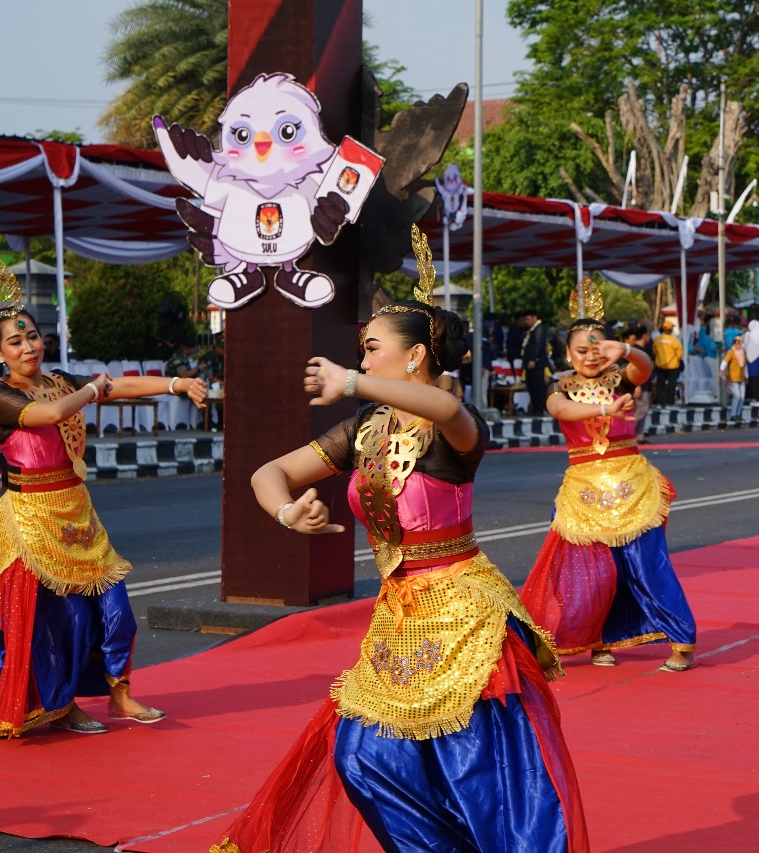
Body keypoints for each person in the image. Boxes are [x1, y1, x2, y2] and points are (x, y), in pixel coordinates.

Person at [217, 262, 588, 852]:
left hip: (466, 616)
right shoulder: (366, 429)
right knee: (362, 758)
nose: (362, 362)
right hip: (400, 618)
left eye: (371, 350)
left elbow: (445, 412)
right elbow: (272, 472)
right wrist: (288, 513)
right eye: (360, 355)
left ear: (415, 356)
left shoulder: (454, 427)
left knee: (480, 773)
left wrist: (352, 384)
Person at [0, 260, 208, 738]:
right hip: (30, 517)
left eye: (31, 335)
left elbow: (119, 386)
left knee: (114, 604)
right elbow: (49, 414)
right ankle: (60, 704)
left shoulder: (62, 379)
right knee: (56, 618)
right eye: (15, 340)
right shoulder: (4, 397)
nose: (29, 345)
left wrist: (177, 384)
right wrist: (90, 389)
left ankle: (120, 694)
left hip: (76, 509)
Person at [520, 282, 696, 673]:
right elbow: (562, 412)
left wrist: (628, 351)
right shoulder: (559, 386)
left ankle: (682, 640)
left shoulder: (621, 377)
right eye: (581, 351)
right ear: (567, 353)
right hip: (583, 490)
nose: (589, 358)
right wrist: (606, 407)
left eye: (597, 351)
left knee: (647, 565)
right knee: (589, 574)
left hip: (632, 485)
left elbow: (646, 369)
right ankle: (596, 640)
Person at [625, 324, 653, 443]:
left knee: (643, 410)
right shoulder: (636, 351)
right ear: (644, 336)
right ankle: (628, 433)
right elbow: (633, 369)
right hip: (640, 385)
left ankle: (638, 436)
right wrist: (637, 386)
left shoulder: (642, 349)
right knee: (641, 410)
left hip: (646, 384)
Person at [519, 308, 549, 414]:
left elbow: (539, 344)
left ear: (534, 318)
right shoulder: (531, 330)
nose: (526, 322)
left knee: (537, 386)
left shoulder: (539, 328)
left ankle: (539, 408)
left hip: (536, 364)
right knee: (531, 385)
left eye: (528, 319)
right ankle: (535, 407)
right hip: (529, 363)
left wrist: (533, 359)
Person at [651, 320, 682, 406]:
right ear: (671, 330)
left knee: (660, 385)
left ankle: (658, 402)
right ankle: (670, 402)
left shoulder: (657, 340)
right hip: (672, 367)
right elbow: (679, 354)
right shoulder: (675, 341)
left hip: (660, 366)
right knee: (672, 385)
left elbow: (654, 352)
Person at [720, 331, 747, 422]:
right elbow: (725, 361)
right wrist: (721, 370)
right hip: (733, 377)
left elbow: (744, 365)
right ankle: (733, 414)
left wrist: (747, 376)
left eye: (739, 343)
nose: (738, 344)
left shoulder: (743, 353)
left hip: (741, 377)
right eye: (736, 342)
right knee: (737, 396)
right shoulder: (731, 352)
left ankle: (738, 414)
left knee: (742, 397)